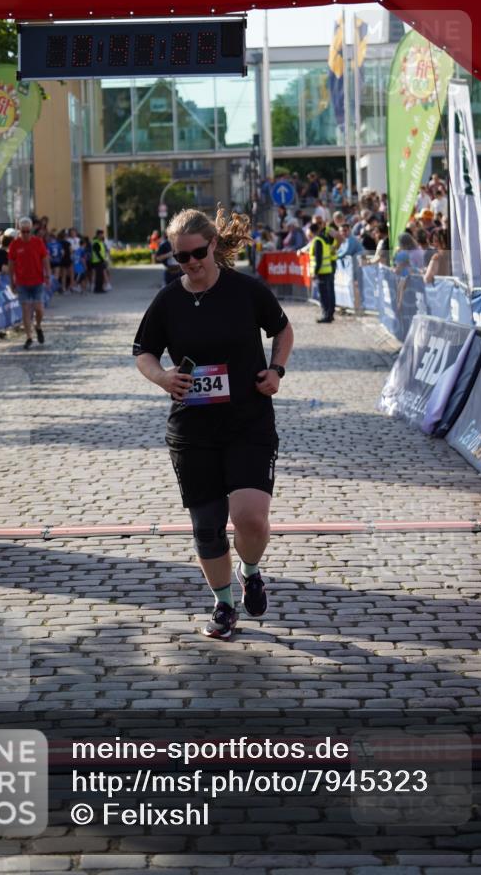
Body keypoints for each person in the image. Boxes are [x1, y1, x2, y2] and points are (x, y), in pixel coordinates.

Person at [133, 207, 294, 641]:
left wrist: (276, 370)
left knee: (250, 519)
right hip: (193, 429)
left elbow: (283, 330)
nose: (190, 263)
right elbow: (143, 352)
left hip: (248, 420)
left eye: (197, 253)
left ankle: (251, 571)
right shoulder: (168, 300)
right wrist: (163, 377)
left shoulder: (246, 290)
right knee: (207, 527)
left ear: (214, 246)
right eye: (180, 257)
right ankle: (224, 604)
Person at [8, 216, 51, 349]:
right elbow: (11, 264)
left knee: (39, 309)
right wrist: (11, 281)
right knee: (26, 310)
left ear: (31, 230)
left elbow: (45, 258)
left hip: (37, 280)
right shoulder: (14, 244)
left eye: (28, 231)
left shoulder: (38, 242)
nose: (26, 234)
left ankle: (38, 326)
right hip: (22, 282)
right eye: (23, 231)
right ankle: (28, 337)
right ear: (19, 231)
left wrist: (48, 274)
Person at [308, 221, 336, 323]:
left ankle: (326, 315)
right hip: (327, 270)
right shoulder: (325, 239)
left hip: (322, 271)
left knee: (324, 295)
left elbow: (318, 259)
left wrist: (315, 272)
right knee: (328, 294)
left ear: (312, 232)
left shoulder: (318, 241)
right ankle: (329, 314)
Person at [91, 229, 108, 293]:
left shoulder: (100, 242)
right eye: (101, 234)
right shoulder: (96, 242)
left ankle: (100, 288)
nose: (102, 236)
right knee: (99, 276)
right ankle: (98, 289)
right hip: (97, 261)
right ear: (97, 235)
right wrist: (102, 260)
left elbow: (102, 252)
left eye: (102, 234)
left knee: (100, 275)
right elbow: (97, 253)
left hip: (100, 261)